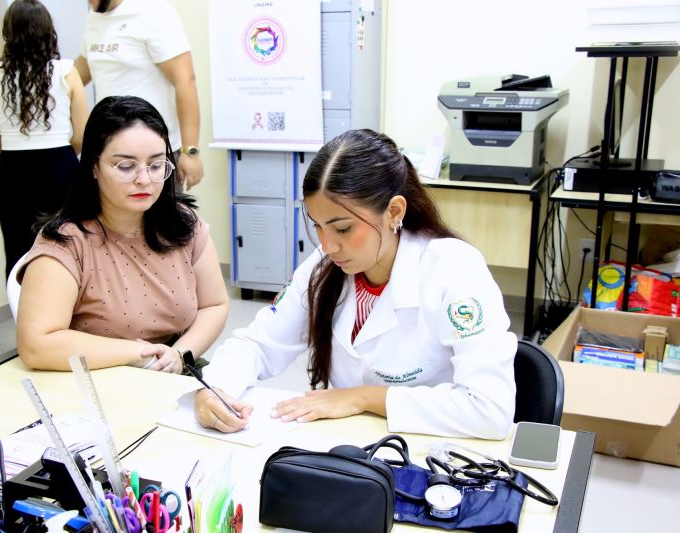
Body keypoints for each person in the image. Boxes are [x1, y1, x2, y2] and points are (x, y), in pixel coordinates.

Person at [195, 129, 517, 439]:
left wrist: (362, 398)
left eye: (344, 228)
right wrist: (216, 389)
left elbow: (490, 409)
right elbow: (259, 344)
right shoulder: (324, 267)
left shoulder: (452, 268)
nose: (328, 244)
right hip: (352, 447)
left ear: (394, 211)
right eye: (318, 226)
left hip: (432, 451)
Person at [16, 96, 228, 373]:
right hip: (99, 377)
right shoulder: (67, 241)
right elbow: (36, 345)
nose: (144, 179)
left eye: (155, 165)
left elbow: (214, 304)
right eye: (126, 166)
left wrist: (178, 355)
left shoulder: (183, 224)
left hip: (173, 371)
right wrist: (140, 354)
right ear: (93, 166)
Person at [0, 0, 88, 279]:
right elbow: (82, 135)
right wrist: (62, 154)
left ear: (8, 32)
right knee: (68, 246)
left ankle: (25, 317)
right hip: (61, 167)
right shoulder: (66, 71)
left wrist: (18, 150)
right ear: (48, 31)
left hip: (12, 170)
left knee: (17, 250)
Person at [76, 0, 204, 190]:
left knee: (161, 219)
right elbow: (79, 73)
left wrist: (191, 151)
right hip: (111, 152)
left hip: (154, 155)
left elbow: (185, 80)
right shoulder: (94, 17)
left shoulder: (153, 12)